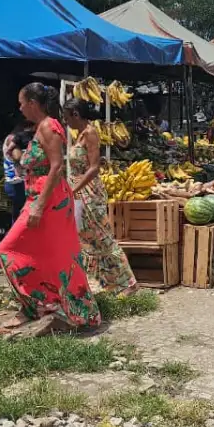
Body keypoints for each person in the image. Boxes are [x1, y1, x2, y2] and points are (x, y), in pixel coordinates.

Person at [0, 83, 101, 333]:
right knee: (47, 253)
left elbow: (56, 167)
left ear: (32, 103)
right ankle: (41, 305)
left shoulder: (49, 127)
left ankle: (41, 305)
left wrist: (39, 206)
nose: (19, 108)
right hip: (40, 198)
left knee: (10, 248)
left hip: (48, 201)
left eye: (22, 103)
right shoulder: (41, 128)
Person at [63, 98, 138, 296]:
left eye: (67, 117)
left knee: (103, 238)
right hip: (79, 194)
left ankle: (129, 283)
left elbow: (94, 168)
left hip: (89, 193)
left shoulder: (91, 133)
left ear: (76, 115)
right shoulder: (79, 134)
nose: (66, 122)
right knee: (87, 240)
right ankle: (102, 283)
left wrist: (75, 188)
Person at [2, 121, 34, 224]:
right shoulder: (14, 139)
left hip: (18, 181)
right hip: (17, 182)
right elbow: (17, 157)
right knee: (21, 215)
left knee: (18, 213)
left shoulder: (15, 138)